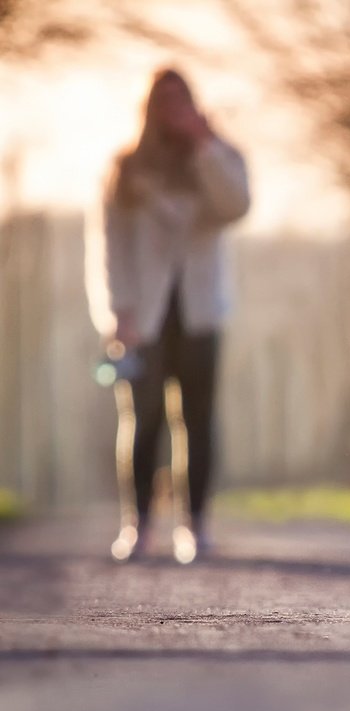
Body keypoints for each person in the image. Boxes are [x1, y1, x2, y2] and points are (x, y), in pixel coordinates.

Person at [89, 67, 250, 562]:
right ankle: (137, 524)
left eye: (184, 100)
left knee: (198, 420)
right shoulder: (126, 168)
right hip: (144, 315)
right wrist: (119, 312)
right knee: (144, 420)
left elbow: (236, 206)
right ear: (150, 107)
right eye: (166, 101)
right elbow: (109, 245)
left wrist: (204, 144)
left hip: (202, 311)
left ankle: (195, 523)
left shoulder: (220, 158)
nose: (175, 110)